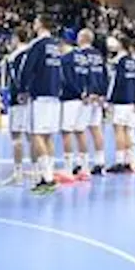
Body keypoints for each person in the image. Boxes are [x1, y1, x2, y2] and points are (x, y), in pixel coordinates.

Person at [20, 14, 62, 194]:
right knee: (48, 136)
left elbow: (26, 69)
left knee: (37, 135)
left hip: (40, 95)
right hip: (54, 95)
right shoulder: (55, 46)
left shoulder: (37, 45)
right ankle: (49, 174)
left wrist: (22, 88)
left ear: (41, 24)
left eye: (36, 21)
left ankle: (47, 178)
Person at [4, 25, 34, 186]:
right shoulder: (32, 52)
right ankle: (37, 171)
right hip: (32, 100)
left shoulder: (14, 56)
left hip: (18, 100)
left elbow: (16, 79)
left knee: (16, 136)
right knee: (32, 136)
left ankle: (18, 172)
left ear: (16, 38)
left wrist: (21, 92)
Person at [77, 28, 107, 175]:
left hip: (87, 97)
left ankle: (83, 163)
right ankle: (100, 161)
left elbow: (82, 74)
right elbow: (104, 75)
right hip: (98, 97)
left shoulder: (80, 54)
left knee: (80, 129)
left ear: (83, 38)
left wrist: (87, 92)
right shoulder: (99, 55)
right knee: (96, 128)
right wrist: (102, 95)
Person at [58, 36, 89, 177]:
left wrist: (77, 92)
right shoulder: (83, 57)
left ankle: (68, 168)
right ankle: (85, 167)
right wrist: (86, 93)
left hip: (70, 98)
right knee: (80, 131)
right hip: (85, 99)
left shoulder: (65, 59)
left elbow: (66, 80)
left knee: (67, 132)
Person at [106, 36, 135, 173]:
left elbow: (114, 82)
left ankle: (119, 161)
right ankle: (129, 161)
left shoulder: (119, 61)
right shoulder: (131, 60)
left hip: (120, 99)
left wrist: (109, 100)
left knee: (118, 129)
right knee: (127, 130)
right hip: (130, 99)